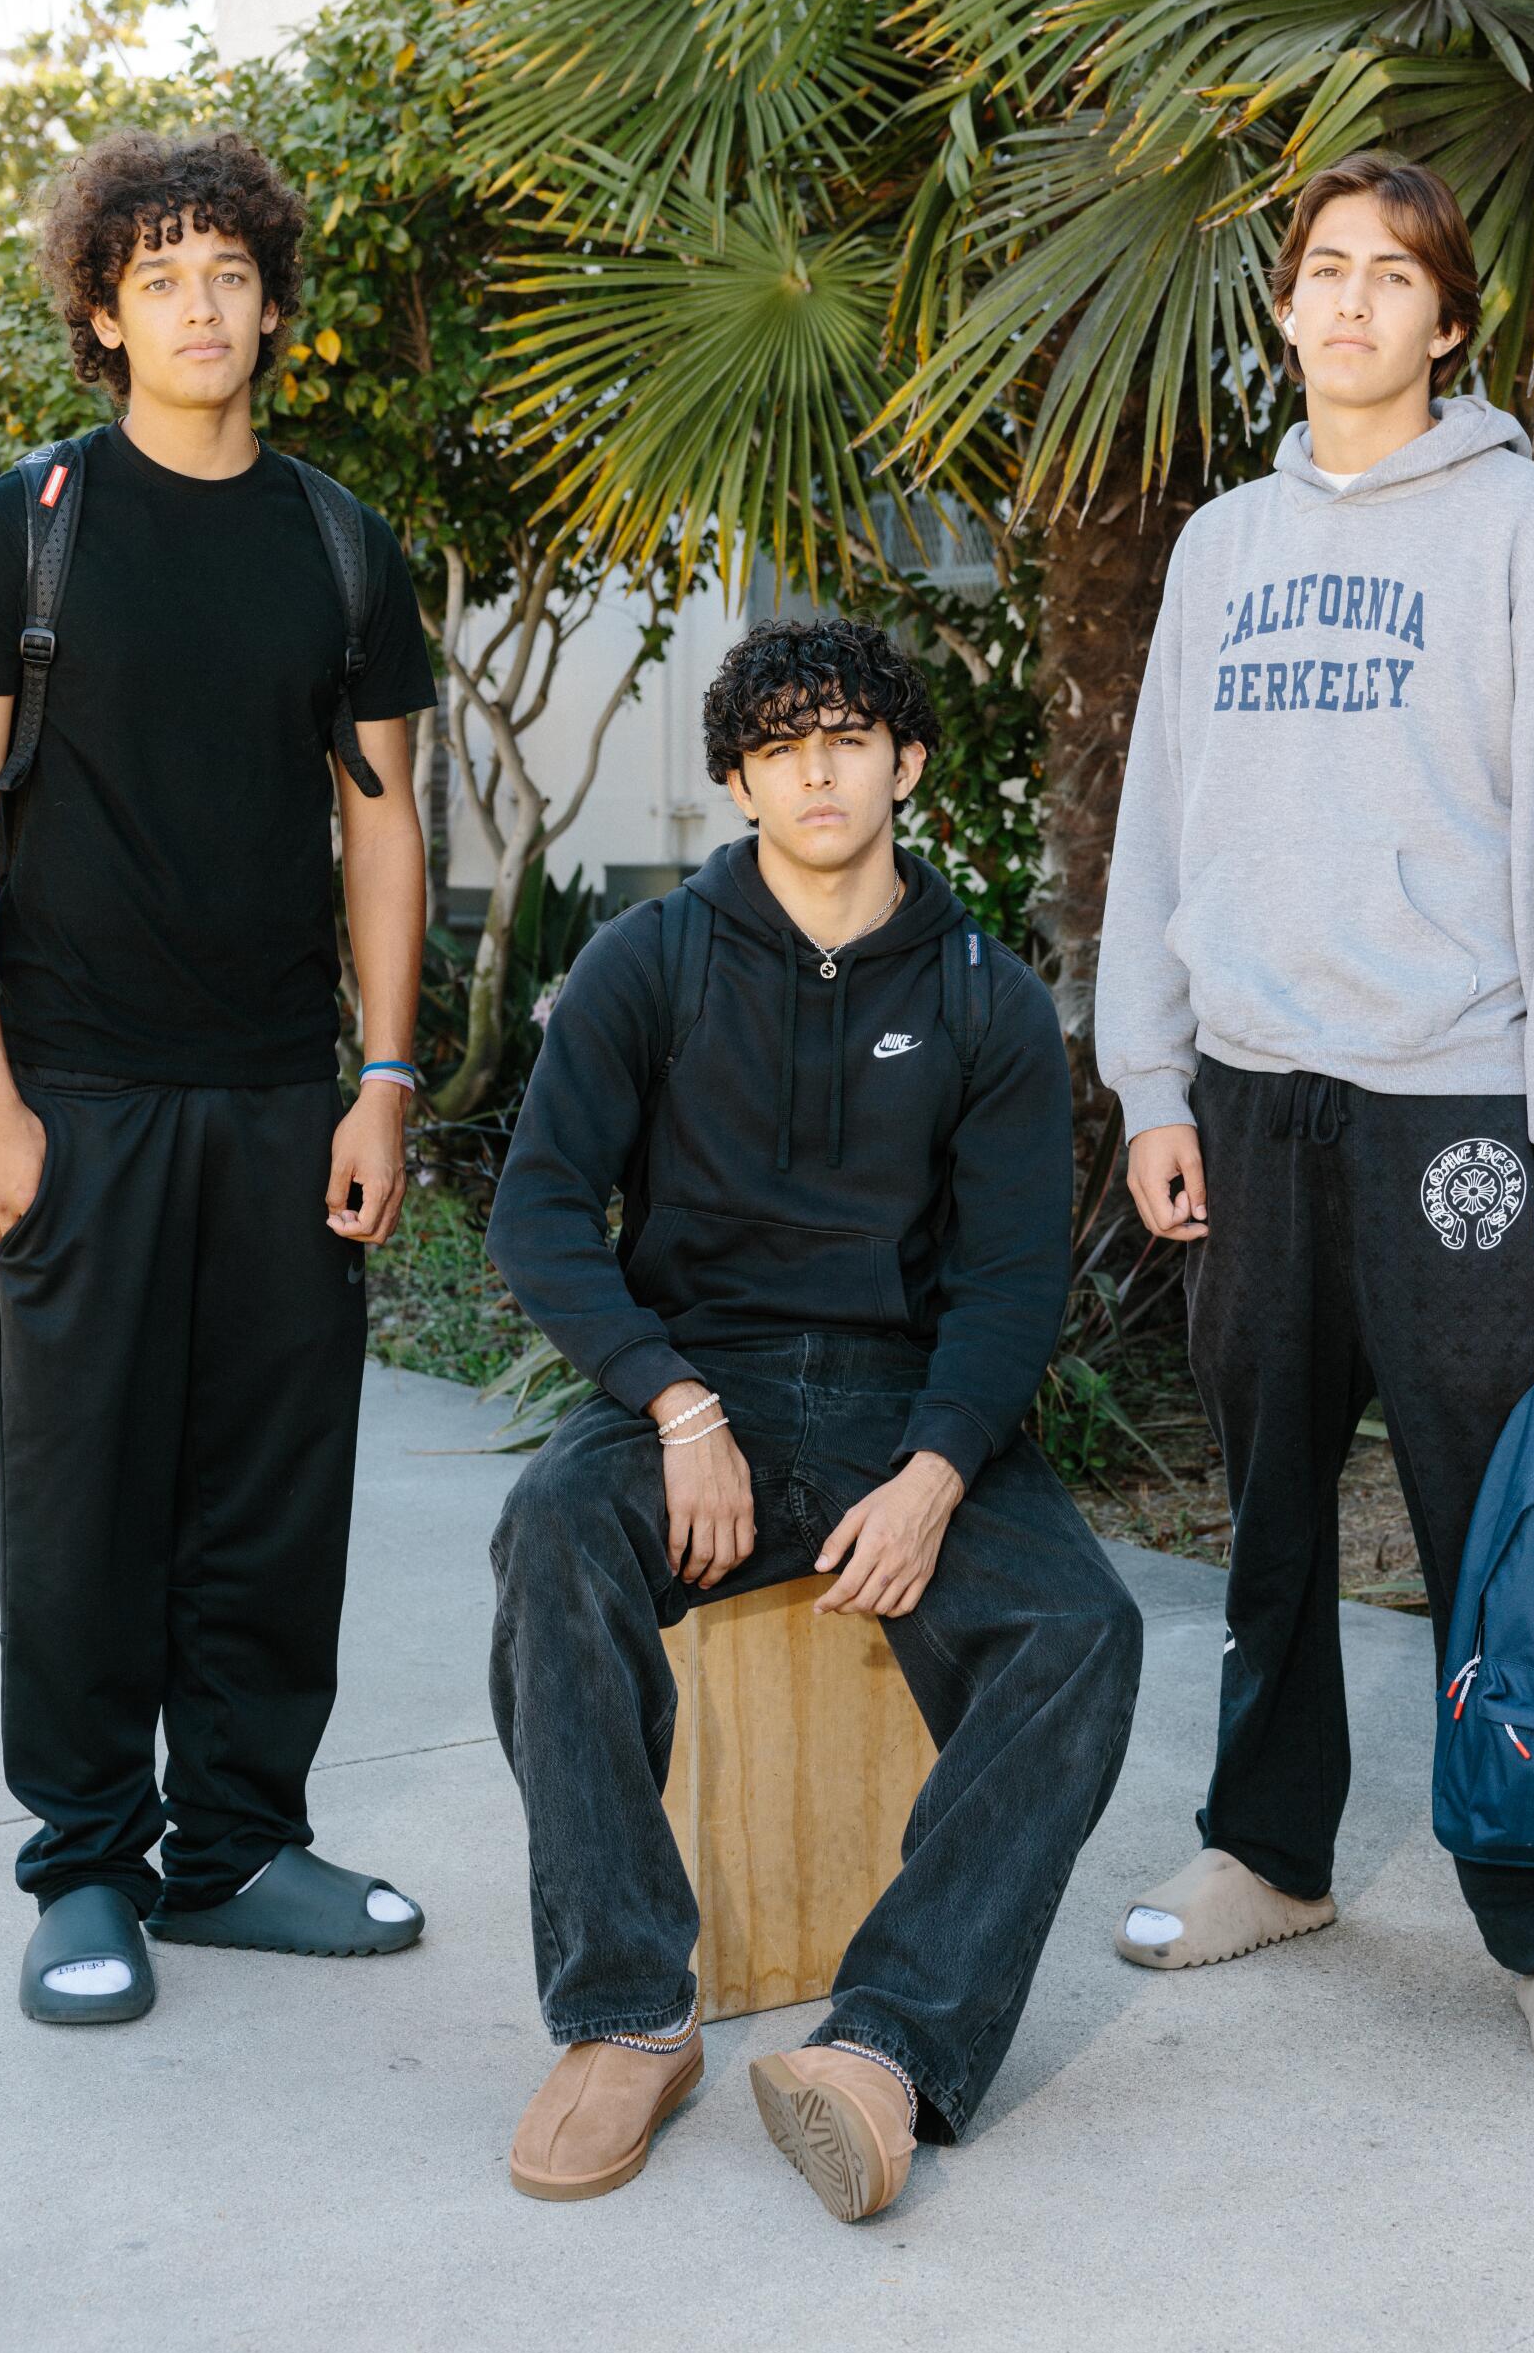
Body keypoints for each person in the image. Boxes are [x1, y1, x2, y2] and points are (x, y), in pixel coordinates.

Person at [1096, 151, 1534, 2082]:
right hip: (1254, 1103)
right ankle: (1272, 1847)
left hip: (1463, 1101)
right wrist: (1150, 1078)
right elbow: (1158, 824)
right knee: (1266, 1506)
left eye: (1391, 275)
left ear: (1447, 316)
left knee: (1488, 1517)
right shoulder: (1219, 550)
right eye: (1320, 270)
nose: (1350, 302)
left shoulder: (1530, 530)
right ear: (1284, 306)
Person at [485, 617, 1143, 2220]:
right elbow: (543, 1213)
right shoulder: (652, 963)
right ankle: (630, 2013)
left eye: (847, 737)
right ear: (739, 780)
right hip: (698, 1391)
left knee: (1084, 1627)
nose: (818, 770)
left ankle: (888, 2045)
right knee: (553, 1528)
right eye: (782, 747)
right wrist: (672, 1397)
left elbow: (1003, 1287)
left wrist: (932, 1473)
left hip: (903, 1403)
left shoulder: (986, 998)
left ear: (905, 762)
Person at [0, 128, 437, 2026]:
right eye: (160, 279)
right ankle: (83, 1874)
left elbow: (385, 835)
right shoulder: (24, 524)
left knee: (273, 1492)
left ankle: (235, 1849)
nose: (200, 306)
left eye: (229, 274)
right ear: (103, 315)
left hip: (288, 1097)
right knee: (84, 1499)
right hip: (82, 1095)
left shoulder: (334, 539)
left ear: (271, 307)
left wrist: (380, 1080)